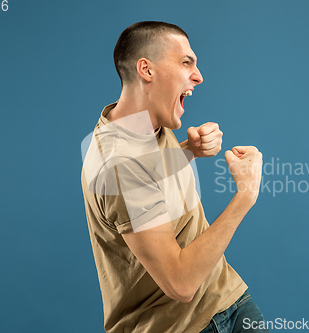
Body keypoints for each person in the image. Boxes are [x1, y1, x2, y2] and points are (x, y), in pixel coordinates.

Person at [81, 21, 268, 332]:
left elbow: (147, 175)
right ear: (146, 70)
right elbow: (181, 284)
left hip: (229, 300)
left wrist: (188, 151)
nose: (198, 75)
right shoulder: (120, 166)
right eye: (186, 62)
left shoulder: (144, 120)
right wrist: (245, 195)